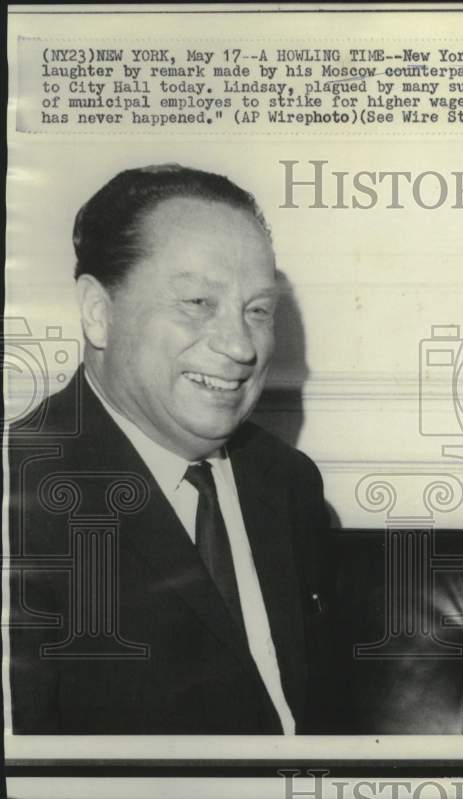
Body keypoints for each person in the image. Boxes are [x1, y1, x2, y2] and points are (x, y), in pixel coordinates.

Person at [7, 165, 339, 734]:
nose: (240, 346)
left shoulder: (287, 481)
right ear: (98, 313)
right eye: (196, 302)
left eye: (258, 310)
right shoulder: (20, 492)